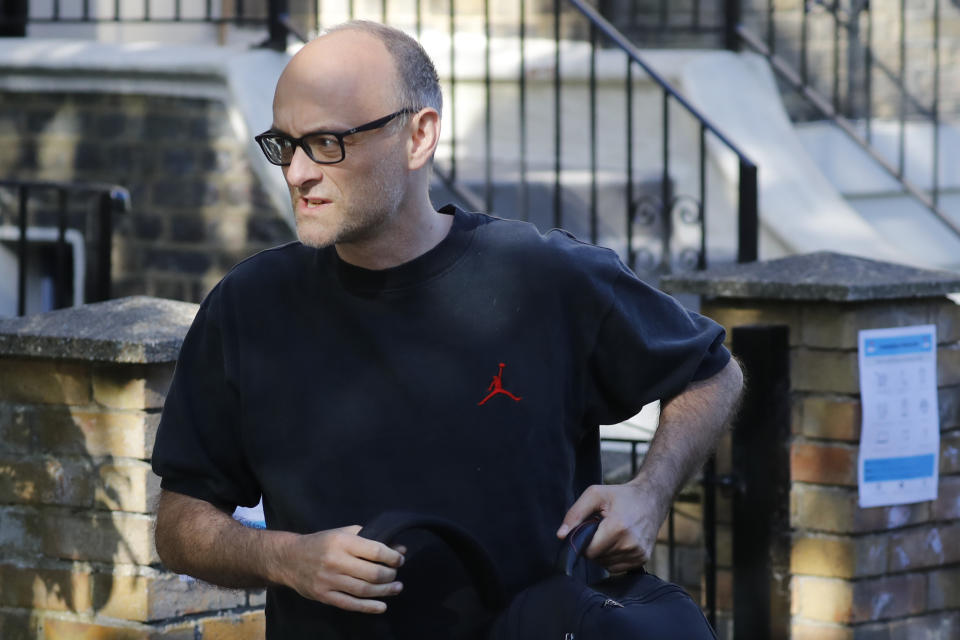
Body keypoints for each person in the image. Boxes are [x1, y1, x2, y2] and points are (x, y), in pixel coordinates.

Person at [151, 20, 743, 638]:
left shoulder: (543, 276)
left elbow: (712, 372)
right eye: (285, 144)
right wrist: (286, 559)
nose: (297, 172)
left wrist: (649, 493)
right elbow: (181, 522)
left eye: (327, 142)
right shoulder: (248, 306)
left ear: (419, 136)